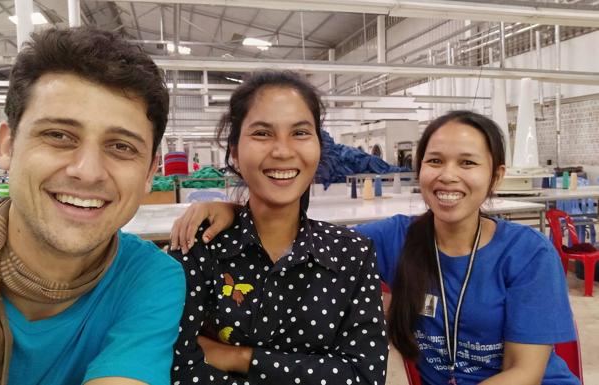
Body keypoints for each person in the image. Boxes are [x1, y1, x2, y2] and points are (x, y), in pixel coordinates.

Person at [171, 110, 579, 385]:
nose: (448, 176)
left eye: (468, 163)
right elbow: (304, 240)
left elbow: (524, 373)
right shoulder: (393, 238)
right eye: (434, 161)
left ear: (496, 175)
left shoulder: (528, 254)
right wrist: (233, 209)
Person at [0, 27, 186, 385]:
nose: (87, 172)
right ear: (8, 146)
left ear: (150, 172)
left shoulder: (148, 278)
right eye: (58, 135)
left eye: (121, 146)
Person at [169, 70, 388, 385]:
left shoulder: (352, 254)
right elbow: (178, 369)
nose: (283, 151)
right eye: (262, 133)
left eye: (300, 133)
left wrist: (239, 357)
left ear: (318, 146)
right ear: (233, 151)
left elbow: (365, 376)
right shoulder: (199, 247)